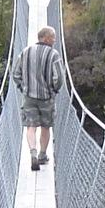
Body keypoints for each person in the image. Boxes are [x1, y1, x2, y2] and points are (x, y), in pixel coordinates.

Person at [11, 25, 64, 171]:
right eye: (53, 37)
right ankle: (42, 155)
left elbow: (15, 74)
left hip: (29, 97)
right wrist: (53, 90)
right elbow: (59, 78)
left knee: (31, 126)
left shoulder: (25, 52)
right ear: (46, 38)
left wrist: (23, 88)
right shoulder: (54, 55)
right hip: (46, 98)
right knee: (46, 127)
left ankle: (32, 153)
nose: (55, 40)